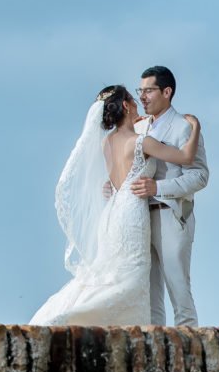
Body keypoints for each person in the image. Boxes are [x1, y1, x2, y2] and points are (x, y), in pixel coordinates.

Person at [30, 85, 201, 326]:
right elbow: (185, 158)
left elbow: (113, 178)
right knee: (132, 275)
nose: (138, 101)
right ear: (125, 105)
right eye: (133, 99)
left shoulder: (107, 143)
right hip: (133, 213)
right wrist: (195, 127)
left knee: (114, 272)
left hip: (113, 213)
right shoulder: (141, 142)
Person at [130, 66, 209, 327]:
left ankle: (191, 352)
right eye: (140, 91)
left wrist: (158, 188)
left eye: (149, 90)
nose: (143, 96)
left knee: (178, 287)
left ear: (167, 91)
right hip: (137, 218)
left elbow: (199, 175)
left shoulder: (184, 126)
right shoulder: (138, 127)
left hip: (171, 215)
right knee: (149, 293)